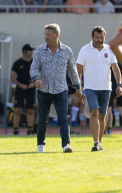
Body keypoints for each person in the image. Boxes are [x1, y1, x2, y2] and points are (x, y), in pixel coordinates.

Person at [30, 23, 82, 152]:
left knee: (63, 118)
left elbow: (73, 71)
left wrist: (78, 88)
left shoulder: (67, 51)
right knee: (42, 118)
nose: (46, 37)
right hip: (43, 90)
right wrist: (36, 79)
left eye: (49, 34)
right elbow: (34, 67)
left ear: (57, 35)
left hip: (61, 90)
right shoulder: (39, 50)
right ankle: (40, 145)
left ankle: (66, 145)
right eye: (45, 34)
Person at [76, 26, 122, 151]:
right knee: (94, 112)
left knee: (102, 115)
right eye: (97, 37)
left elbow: (116, 69)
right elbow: (78, 70)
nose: (99, 40)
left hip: (106, 88)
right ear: (92, 37)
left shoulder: (110, 50)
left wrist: (119, 85)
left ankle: (99, 143)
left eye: (101, 37)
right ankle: (96, 142)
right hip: (90, 88)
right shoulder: (85, 50)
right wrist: (78, 87)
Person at [11, 44, 36, 135]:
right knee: (17, 110)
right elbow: (12, 77)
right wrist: (20, 85)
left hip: (31, 90)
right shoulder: (17, 63)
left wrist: (34, 83)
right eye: (30, 51)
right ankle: (15, 130)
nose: (32, 52)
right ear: (24, 52)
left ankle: (29, 130)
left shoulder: (34, 63)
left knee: (31, 110)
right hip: (20, 90)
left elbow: (40, 75)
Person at [106, 62, 122, 133]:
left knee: (108, 110)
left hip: (110, 86)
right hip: (121, 87)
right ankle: (108, 130)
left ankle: (104, 131)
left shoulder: (109, 61)